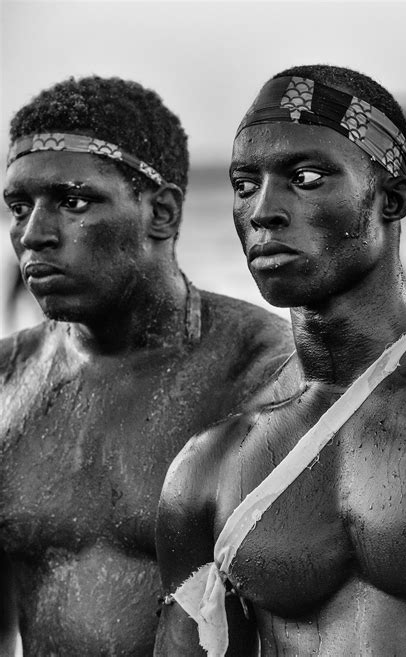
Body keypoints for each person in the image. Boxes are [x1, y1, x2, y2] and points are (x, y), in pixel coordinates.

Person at [156, 64, 406, 656]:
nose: (262, 211)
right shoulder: (214, 465)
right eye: (245, 183)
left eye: (305, 177)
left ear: (392, 199)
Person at [0, 76, 295, 657]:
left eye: (73, 201)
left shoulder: (267, 373)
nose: (33, 235)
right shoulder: (6, 381)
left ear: (161, 212)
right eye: (17, 206)